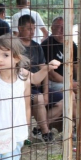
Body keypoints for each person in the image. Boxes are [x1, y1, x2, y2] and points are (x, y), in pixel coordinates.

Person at [42, 16, 81, 133]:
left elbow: (76, 66)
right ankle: (79, 123)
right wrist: (72, 83)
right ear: (52, 28)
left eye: (65, 28)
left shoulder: (71, 44)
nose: (62, 31)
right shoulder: (46, 45)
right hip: (53, 82)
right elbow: (51, 75)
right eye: (59, 27)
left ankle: (67, 114)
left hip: (70, 80)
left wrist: (78, 80)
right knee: (71, 95)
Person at [17, 15, 60, 143]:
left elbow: (45, 70)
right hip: (23, 87)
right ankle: (46, 133)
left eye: (34, 28)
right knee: (39, 98)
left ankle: (39, 128)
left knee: (65, 100)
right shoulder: (14, 46)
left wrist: (46, 91)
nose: (32, 32)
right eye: (29, 29)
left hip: (38, 86)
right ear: (20, 28)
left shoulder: (37, 46)